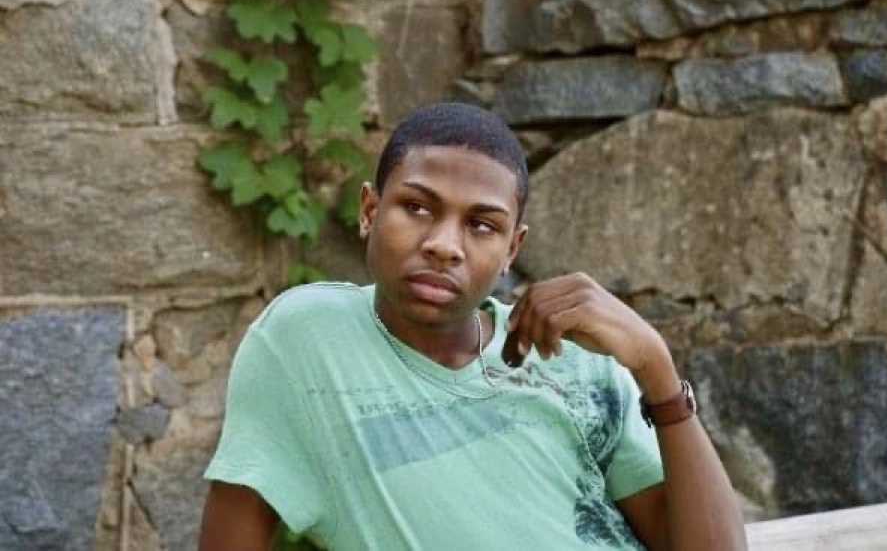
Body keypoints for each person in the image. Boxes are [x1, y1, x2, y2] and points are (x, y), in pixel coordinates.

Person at [198, 102, 747, 550]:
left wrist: (655, 365)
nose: (443, 245)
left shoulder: (572, 360)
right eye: (416, 207)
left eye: (481, 225)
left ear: (513, 248)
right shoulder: (306, 341)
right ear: (369, 210)